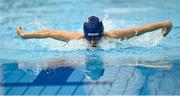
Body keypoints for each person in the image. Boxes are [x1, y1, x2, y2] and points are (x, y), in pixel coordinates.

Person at [17, 16, 172, 47]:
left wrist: (166, 24)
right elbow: (48, 33)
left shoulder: (114, 37)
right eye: (89, 38)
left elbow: (142, 30)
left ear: (101, 34)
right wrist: (25, 36)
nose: (92, 42)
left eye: (96, 38)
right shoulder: (77, 39)